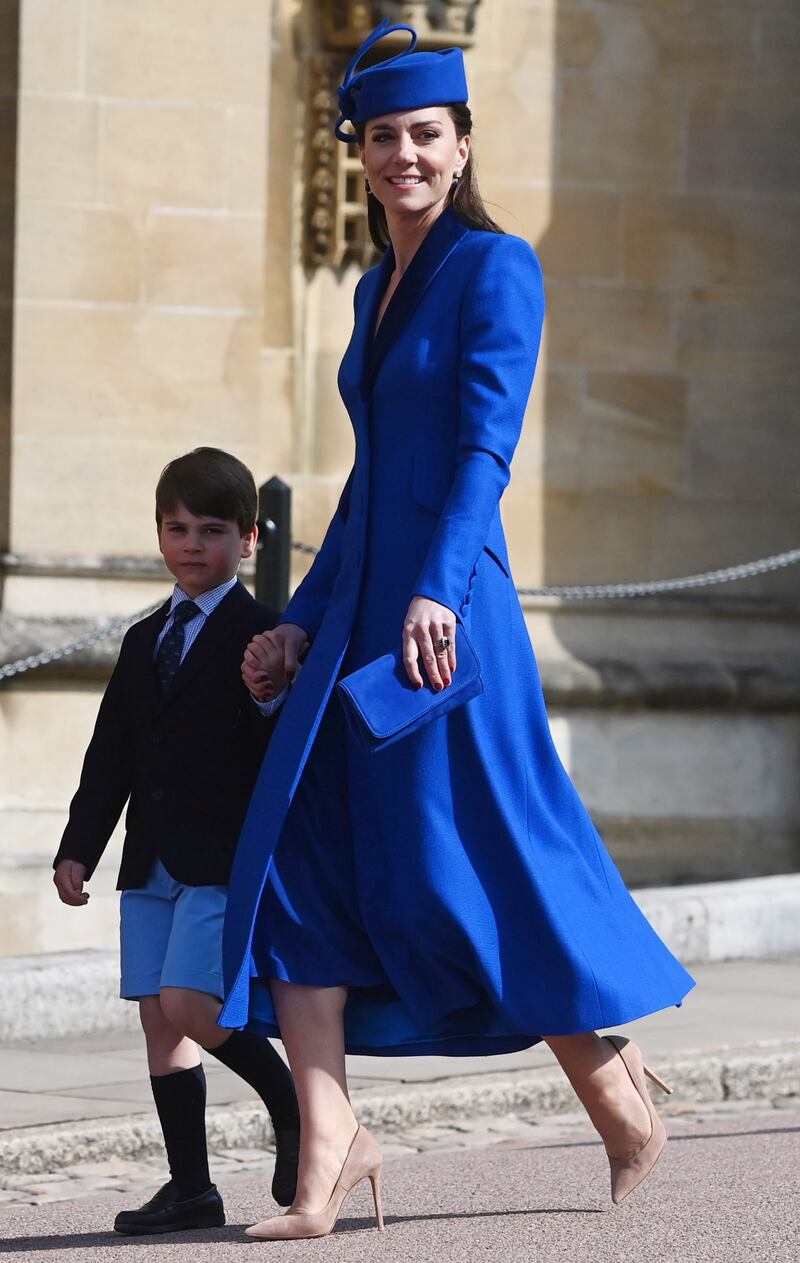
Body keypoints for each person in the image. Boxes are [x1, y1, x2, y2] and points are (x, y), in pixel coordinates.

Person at [220, 21, 695, 1241]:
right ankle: (328, 1143)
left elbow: (483, 446)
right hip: (363, 611)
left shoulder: (496, 268)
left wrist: (432, 590)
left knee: (465, 858)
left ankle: (611, 1087)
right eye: (380, 137)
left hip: (446, 612)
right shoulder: (376, 288)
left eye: (423, 134)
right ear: (359, 153)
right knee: (296, 859)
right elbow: (371, 477)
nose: (402, 155)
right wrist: (301, 622)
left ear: (461, 140)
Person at [52, 447, 301, 1235]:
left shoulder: (265, 634)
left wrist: (269, 693)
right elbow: (111, 757)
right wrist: (78, 847)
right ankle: (192, 1187)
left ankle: (293, 1105)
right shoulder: (143, 639)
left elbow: (285, 746)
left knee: (193, 1003)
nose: (193, 544)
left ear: (250, 540)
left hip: (221, 855)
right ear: (159, 533)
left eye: (213, 529)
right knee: (159, 1020)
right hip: (150, 856)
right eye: (177, 527)